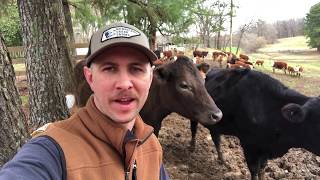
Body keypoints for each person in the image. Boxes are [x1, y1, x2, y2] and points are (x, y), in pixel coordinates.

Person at [0, 22, 170, 180]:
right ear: (90, 78)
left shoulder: (151, 145)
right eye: (109, 69)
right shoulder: (53, 150)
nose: (124, 84)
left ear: (150, 78)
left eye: (136, 69)